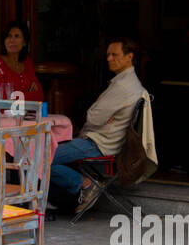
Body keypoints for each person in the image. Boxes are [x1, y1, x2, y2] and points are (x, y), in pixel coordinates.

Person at [47, 40, 145, 213]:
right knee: (45, 154)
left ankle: (85, 184)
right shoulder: (128, 82)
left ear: (129, 57)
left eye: (114, 54)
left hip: (98, 144)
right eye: (108, 54)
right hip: (104, 140)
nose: (109, 58)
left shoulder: (123, 86)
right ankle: (67, 194)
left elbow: (93, 116)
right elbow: (99, 117)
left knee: (40, 157)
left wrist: (101, 117)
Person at [0, 21, 45, 104]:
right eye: (8, 36)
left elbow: (40, 96)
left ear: (24, 42)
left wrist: (14, 96)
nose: (12, 40)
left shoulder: (27, 62)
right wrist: (28, 94)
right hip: (4, 115)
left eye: (17, 36)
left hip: (28, 115)